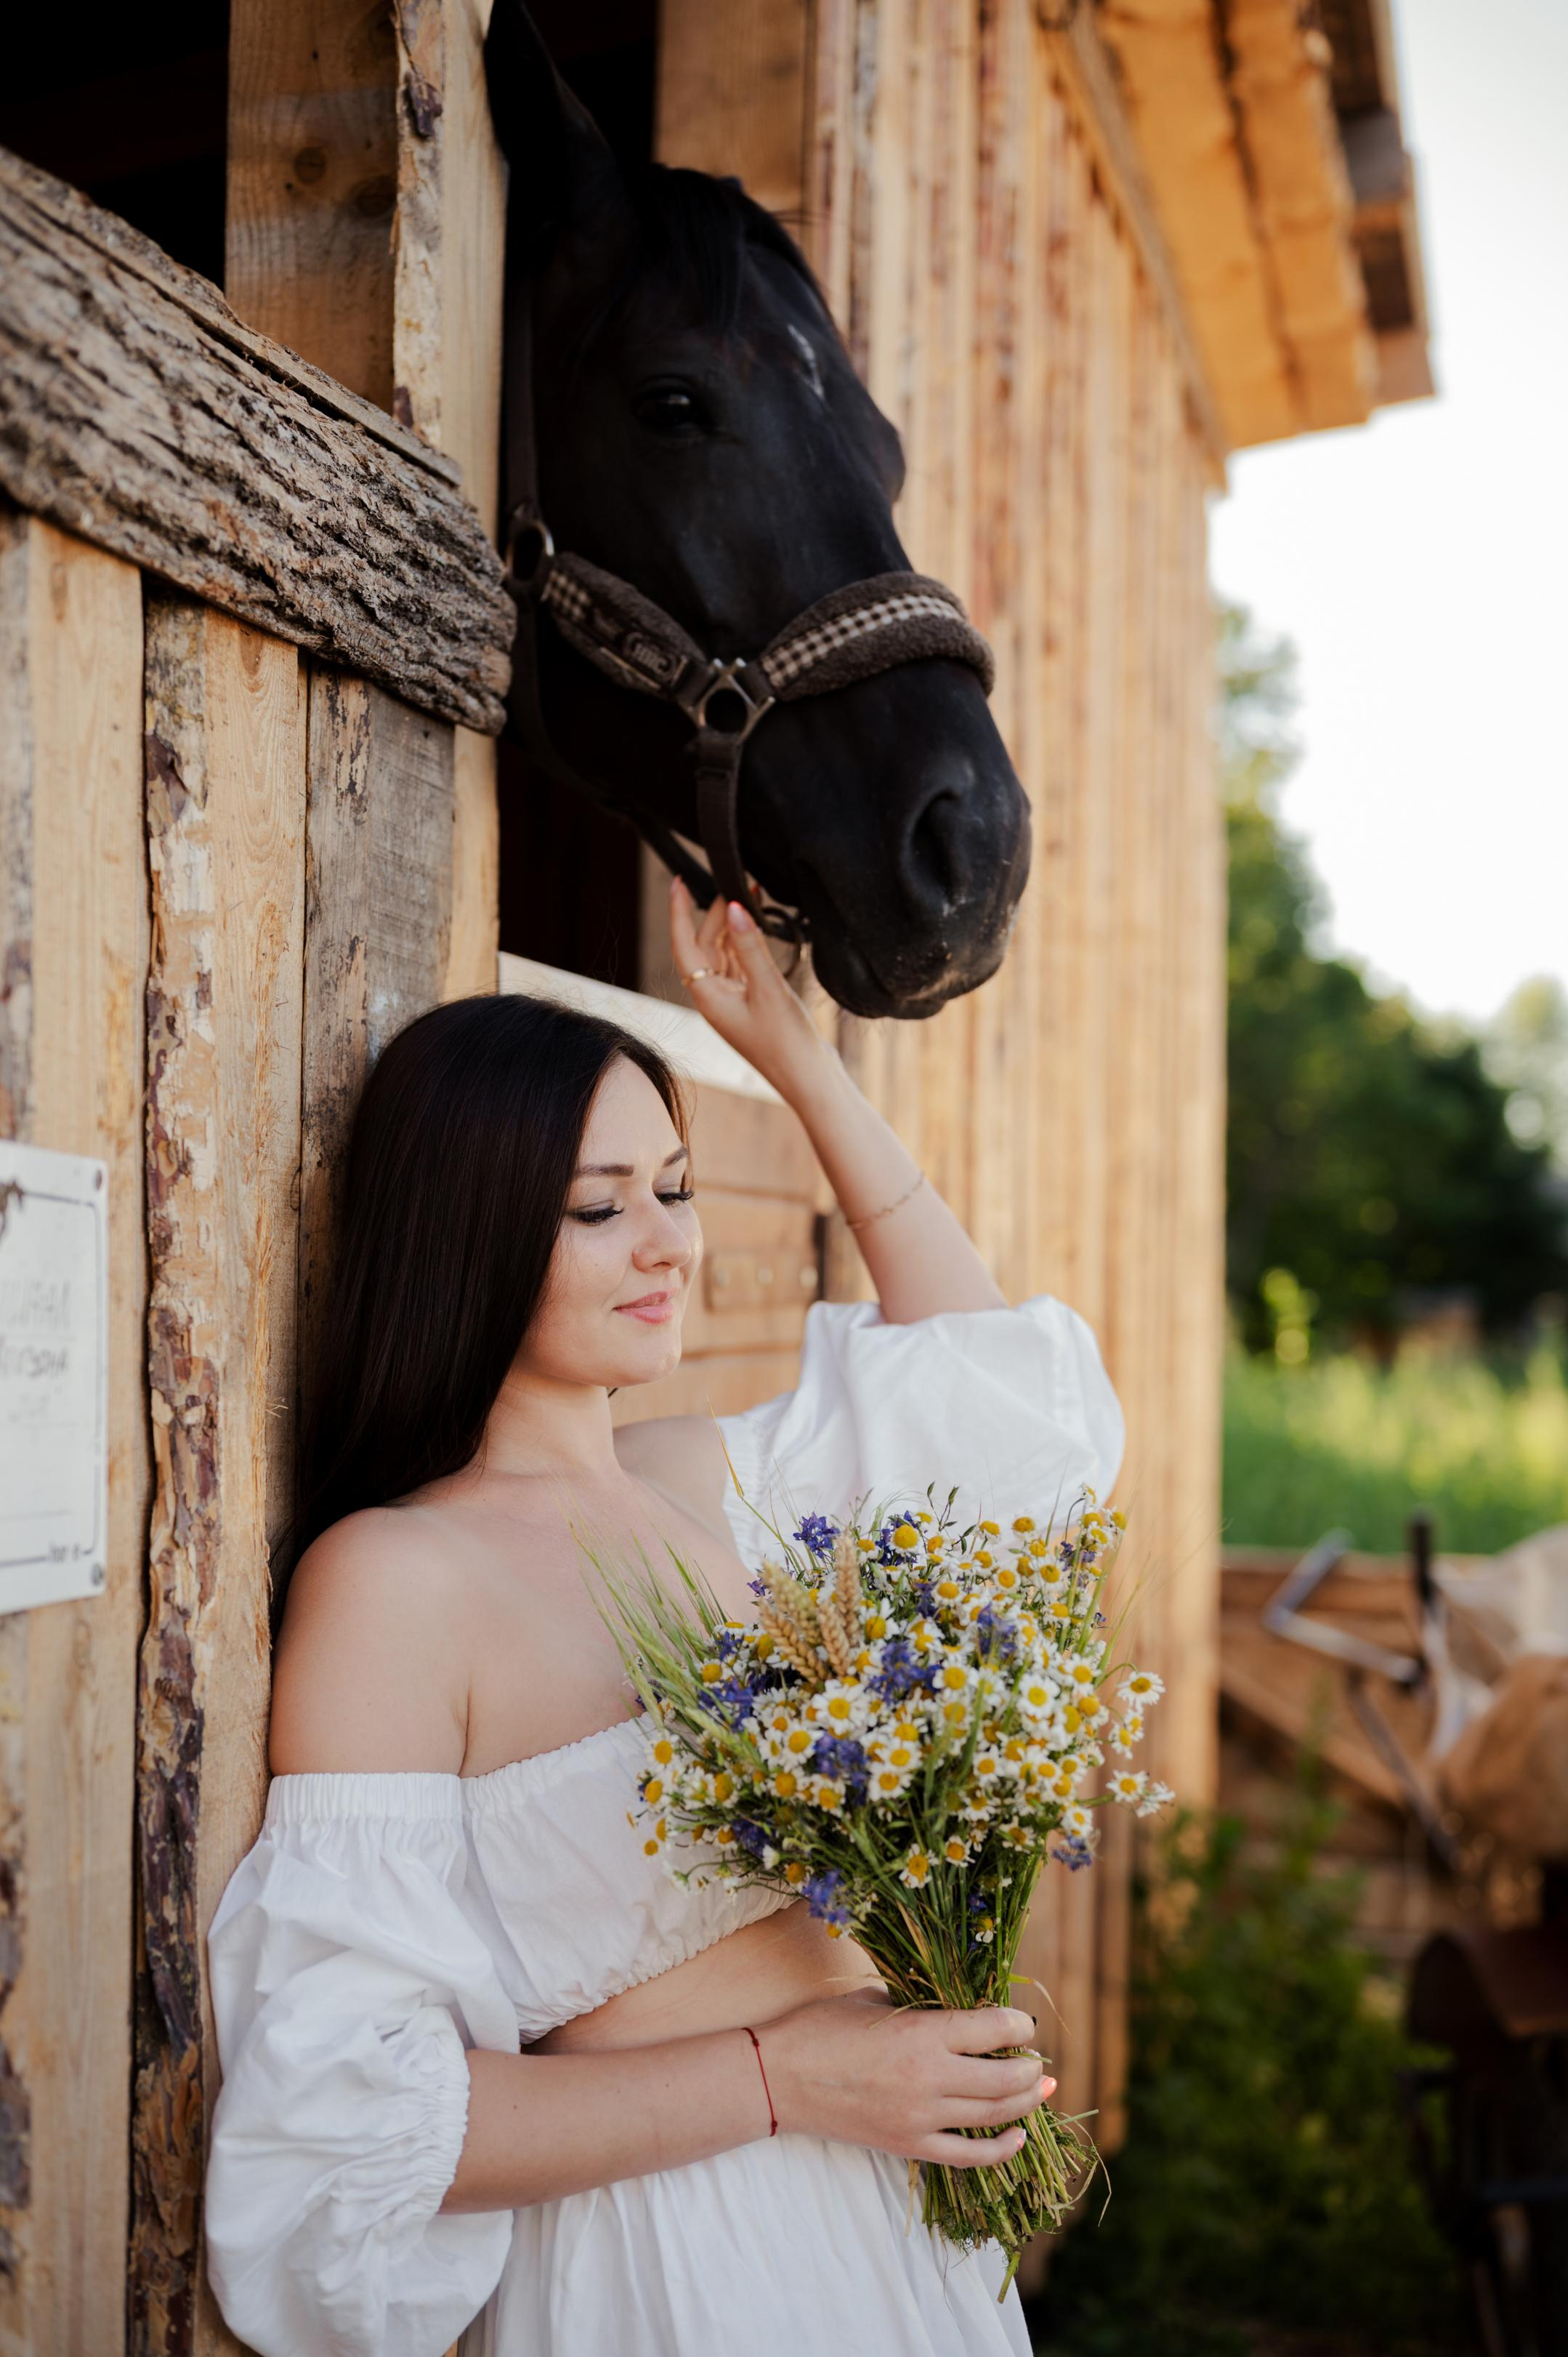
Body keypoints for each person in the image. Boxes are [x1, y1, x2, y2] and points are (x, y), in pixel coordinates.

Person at [204, 879, 1125, 2357]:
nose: (668, 1244)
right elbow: (345, 2116)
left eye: (677, 1186)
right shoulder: (394, 1580)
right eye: (599, 1206)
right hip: (673, 2266)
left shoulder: (708, 1479)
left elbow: (998, 1424)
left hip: (890, 2239)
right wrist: (783, 2078)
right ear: (470, 1234)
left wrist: (791, 1047)